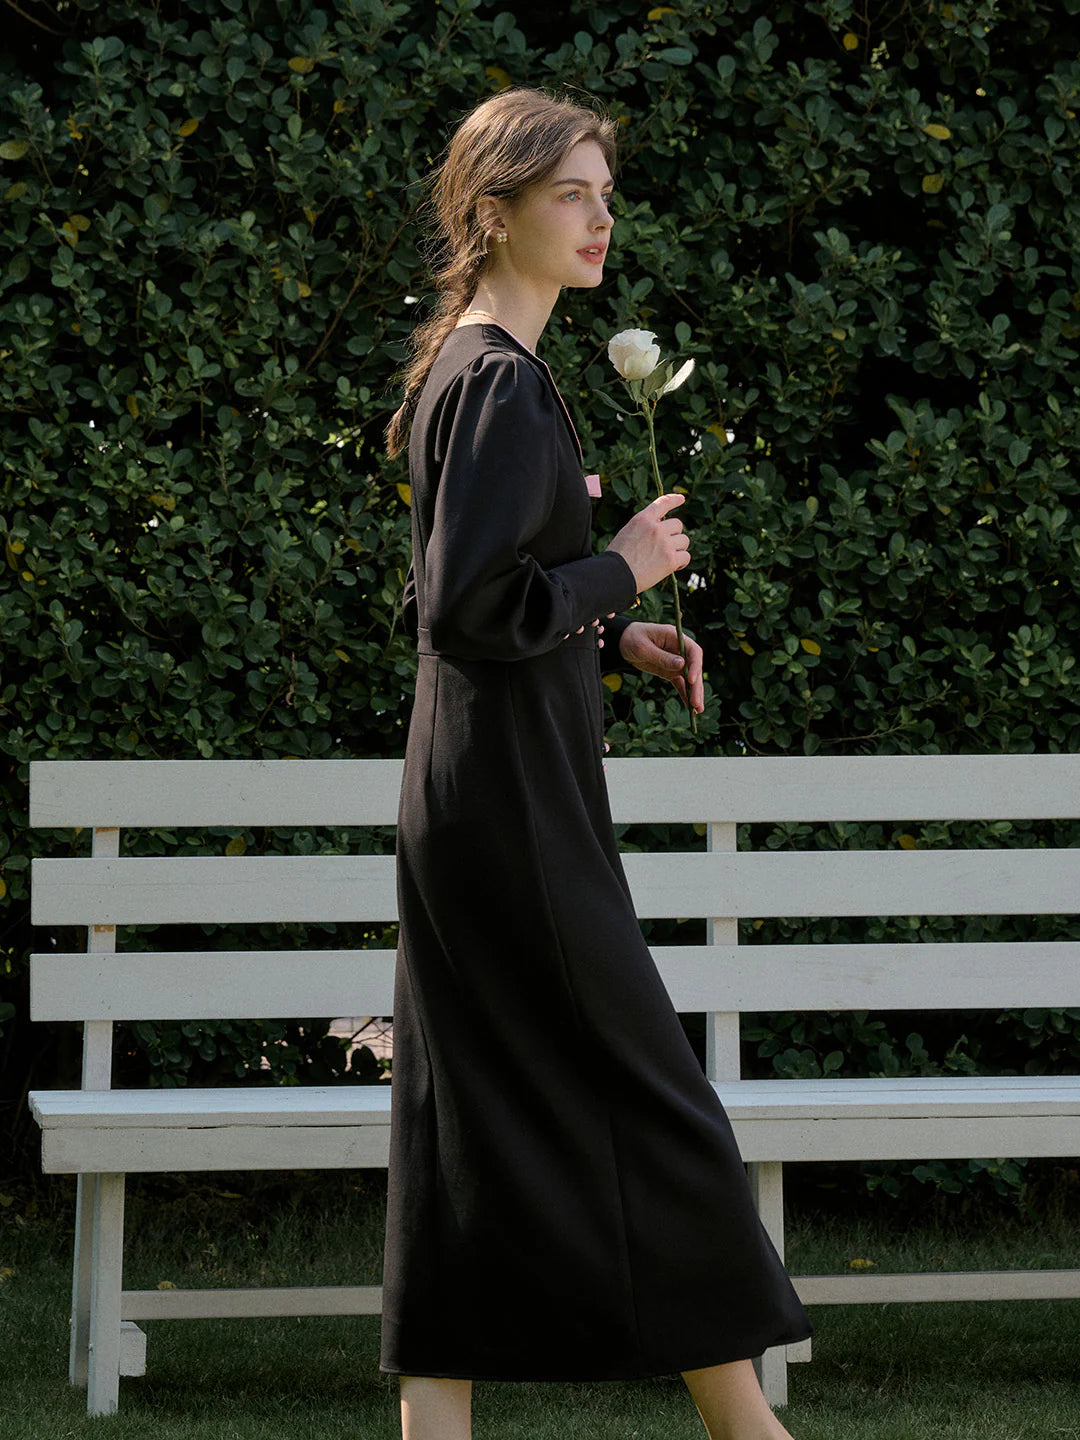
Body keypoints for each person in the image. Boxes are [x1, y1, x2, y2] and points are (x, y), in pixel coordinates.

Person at [381, 87, 811, 1440]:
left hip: (482, 794)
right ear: (493, 209)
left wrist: (607, 630)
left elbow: (471, 596)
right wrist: (622, 567)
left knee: (469, 1118)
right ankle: (751, 1430)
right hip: (510, 808)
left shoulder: (476, 370)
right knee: (651, 1098)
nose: (600, 218)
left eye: (604, 194)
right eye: (571, 193)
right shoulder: (496, 381)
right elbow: (466, 610)